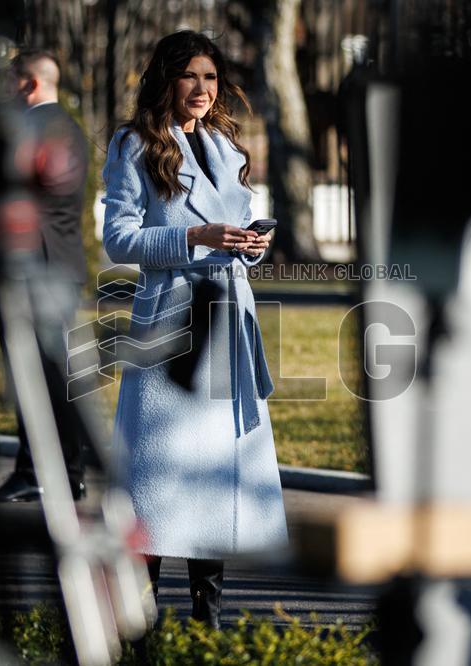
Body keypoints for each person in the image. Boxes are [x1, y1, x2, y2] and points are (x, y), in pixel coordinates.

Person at [101, 30, 288, 629]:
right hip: (170, 322)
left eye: (210, 77)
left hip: (228, 316)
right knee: (157, 478)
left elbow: (238, 225)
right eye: (190, 76)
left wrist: (253, 244)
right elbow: (118, 239)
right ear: (167, 80)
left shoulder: (226, 146)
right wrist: (193, 236)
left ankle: (208, 624)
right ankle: (140, 624)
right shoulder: (135, 143)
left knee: (216, 479)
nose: (202, 89)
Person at [0, 51, 91, 503]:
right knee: (55, 376)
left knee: (32, 376)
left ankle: (37, 472)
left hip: (33, 265)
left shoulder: (32, 129)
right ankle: (67, 473)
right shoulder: (69, 128)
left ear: (29, 83)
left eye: (10, 81)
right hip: (59, 264)